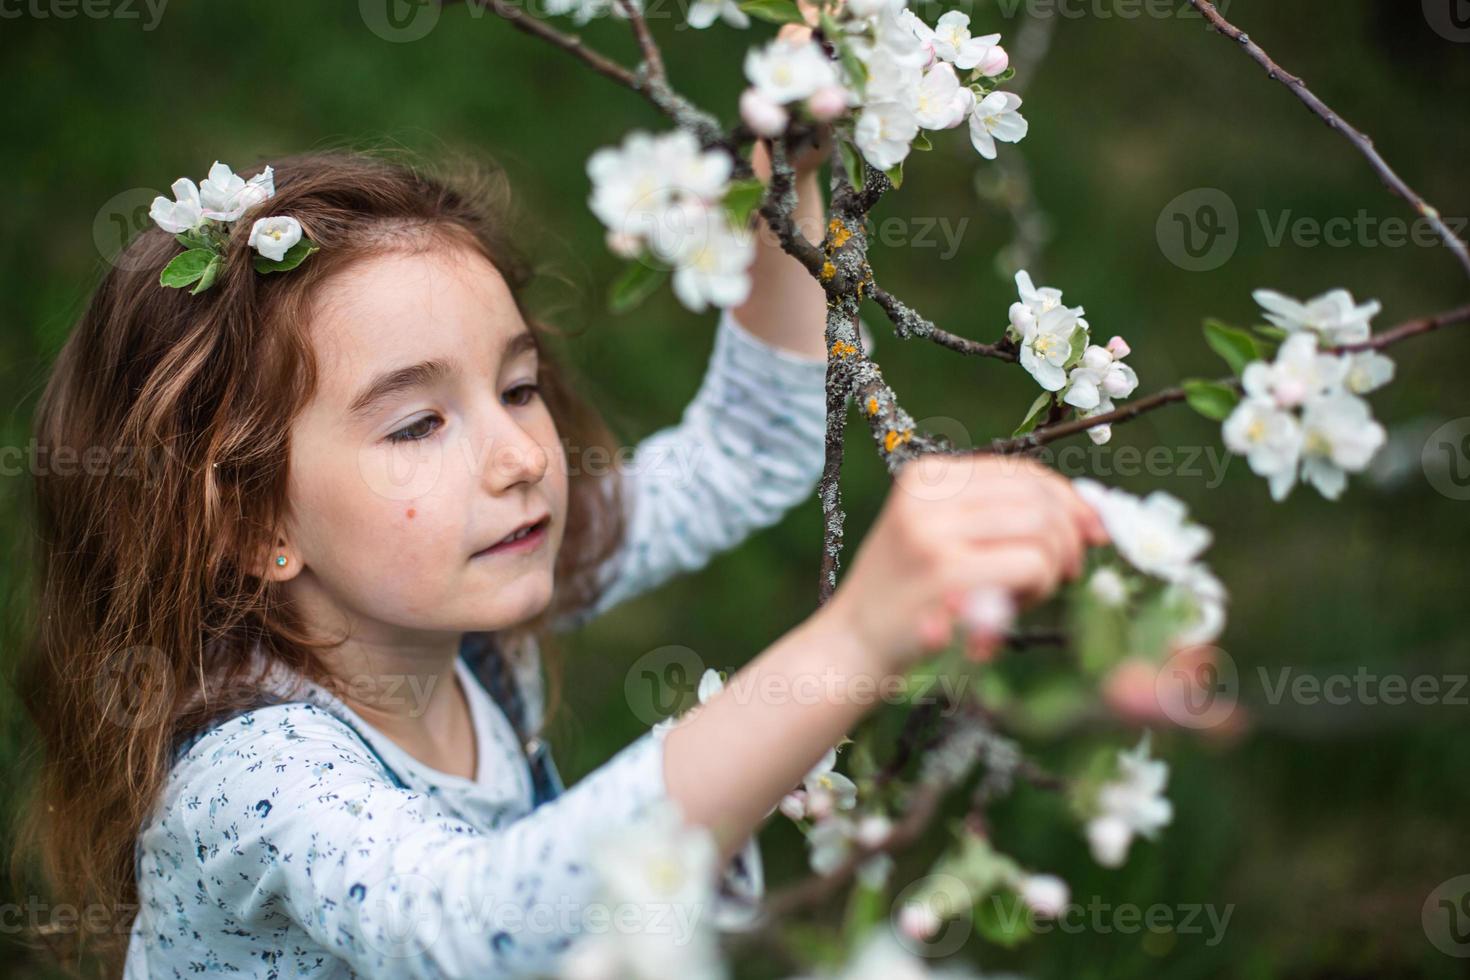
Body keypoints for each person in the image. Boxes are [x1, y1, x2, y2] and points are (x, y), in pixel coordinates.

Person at [14, 148, 1105, 978]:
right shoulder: (252, 782)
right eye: (416, 424)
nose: (521, 455)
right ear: (255, 523)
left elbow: (743, 454)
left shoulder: (468, 609)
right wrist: (855, 638)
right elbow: (475, 918)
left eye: (519, 384)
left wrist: (787, 182)